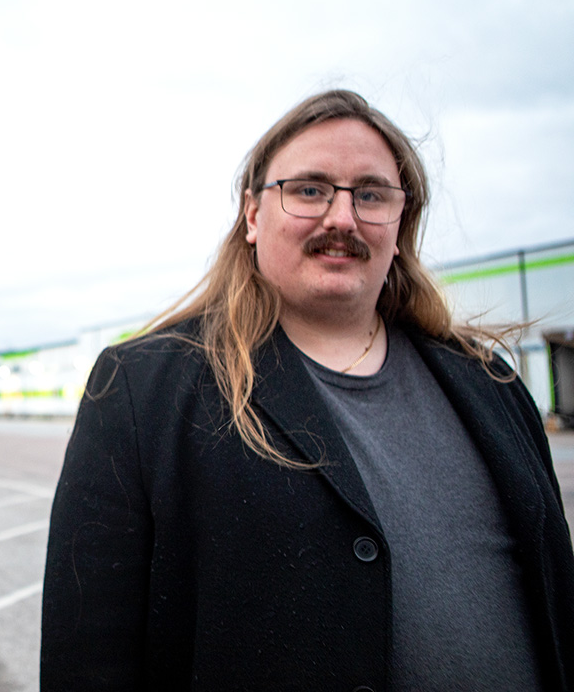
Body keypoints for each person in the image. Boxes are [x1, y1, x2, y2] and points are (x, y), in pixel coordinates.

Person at [41, 89, 574, 690]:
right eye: (310, 189)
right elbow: (87, 661)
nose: (342, 218)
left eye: (370, 194)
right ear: (252, 215)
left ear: (399, 225)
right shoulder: (142, 391)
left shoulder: (490, 381)